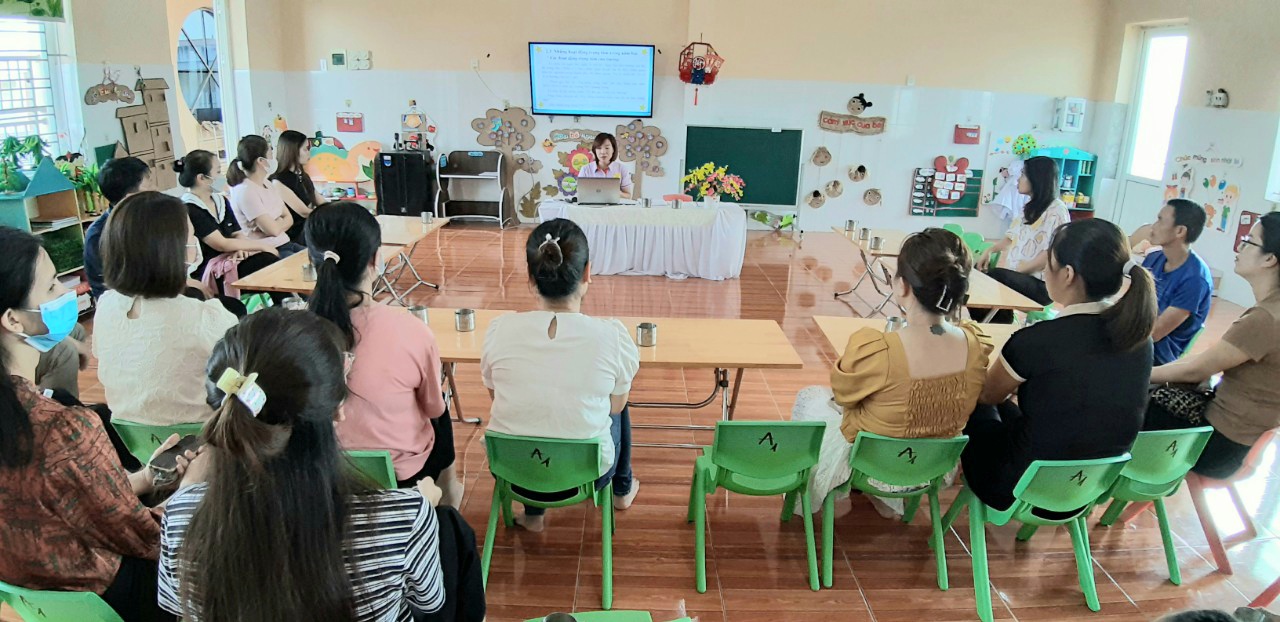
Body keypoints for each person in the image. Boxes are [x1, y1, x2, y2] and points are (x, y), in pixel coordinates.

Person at [159, 309, 456, 621]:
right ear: (338, 410)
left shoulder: (179, 517)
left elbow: (178, 609)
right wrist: (425, 506)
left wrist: (186, 492)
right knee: (452, 530)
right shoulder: (405, 519)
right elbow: (430, 603)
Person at [0, 225, 194, 622]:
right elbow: (146, 539)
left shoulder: (37, 422)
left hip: (38, 603)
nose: (66, 292)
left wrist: (143, 479)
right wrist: (190, 490)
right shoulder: (62, 429)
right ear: (13, 320)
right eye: (51, 286)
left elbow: (54, 500)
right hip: (108, 598)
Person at [792, 229, 993, 516]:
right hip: (932, 466)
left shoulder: (879, 348)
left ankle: (832, 493)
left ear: (902, 286)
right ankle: (892, 502)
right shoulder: (976, 345)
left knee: (813, 397)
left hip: (873, 464)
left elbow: (844, 396)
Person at [963, 218, 1156, 511]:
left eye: (1048, 263)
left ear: (1067, 274)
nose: (1044, 271)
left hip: (1017, 489)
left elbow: (988, 394)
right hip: (1089, 488)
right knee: (1017, 410)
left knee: (976, 403)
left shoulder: (1037, 339)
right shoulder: (1139, 338)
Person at [481, 218, 640, 532]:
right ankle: (621, 491)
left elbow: (496, 395)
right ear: (587, 273)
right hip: (587, 475)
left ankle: (533, 515)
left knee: (529, 405)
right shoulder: (612, 336)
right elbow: (616, 407)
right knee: (617, 402)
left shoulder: (499, 330)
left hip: (513, 472)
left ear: (531, 277)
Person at [306, 202, 464, 504]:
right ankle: (449, 495)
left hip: (319, 473)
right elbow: (432, 408)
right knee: (439, 410)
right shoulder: (410, 330)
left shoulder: (293, 333)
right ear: (375, 259)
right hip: (401, 476)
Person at [1145, 212, 1280, 478]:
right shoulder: (1271, 310)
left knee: (1134, 403)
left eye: (1248, 241)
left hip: (1219, 444)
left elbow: (1196, 369)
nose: (1239, 247)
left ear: (1269, 259)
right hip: (1243, 441)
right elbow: (1208, 362)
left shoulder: (1265, 318)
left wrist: (1137, 374)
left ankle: (1090, 484)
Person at [95, 192, 238, 426]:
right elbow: (239, 381)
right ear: (173, 250)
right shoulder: (207, 317)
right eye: (191, 237)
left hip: (132, 440)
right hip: (204, 439)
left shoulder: (106, 306)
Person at [974, 156, 1072, 323]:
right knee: (977, 273)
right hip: (1021, 276)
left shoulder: (1056, 210)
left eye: (1023, 174)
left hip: (1042, 284)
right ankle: (993, 325)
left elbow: (1052, 252)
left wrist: (1021, 270)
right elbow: (1010, 237)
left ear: (1037, 179)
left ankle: (1000, 326)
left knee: (994, 277)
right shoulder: (1028, 207)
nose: (1018, 179)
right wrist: (989, 250)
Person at [176, 150, 281, 297]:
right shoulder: (189, 207)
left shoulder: (221, 201)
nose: (222, 176)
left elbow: (237, 233)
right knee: (268, 261)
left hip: (232, 259)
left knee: (271, 264)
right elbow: (221, 244)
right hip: (211, 269)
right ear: (202, 178)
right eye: (218, 172)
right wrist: (262, 246)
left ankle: (287, 304)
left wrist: (241, 249)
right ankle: (287, 304)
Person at [1128, 199, 1214, 364]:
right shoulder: (1153, 259)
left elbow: (1155, 334)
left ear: (1180, 231)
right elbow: (1133, 304)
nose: (1153, 226)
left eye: (1160, 220)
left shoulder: (1195, 279)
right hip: (1136, 339)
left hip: (1156, 355)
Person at [85, 156, 155, 300]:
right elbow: (106, 289)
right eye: (149, 185)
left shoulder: (150, 219)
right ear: (131, 197)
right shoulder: (99, 236)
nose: (155, 189)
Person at [226, 135, 305, 257]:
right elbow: (273, 230)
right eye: (270, 152)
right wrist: (277, 221)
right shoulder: (246, 191)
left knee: (321, 259)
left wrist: (275, 224)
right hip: (268, 251)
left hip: (285, 242)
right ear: (261, 161)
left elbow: (289, 218)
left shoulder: (267, 183)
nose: (273, 156)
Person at [271, 129, 328, 244]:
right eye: (305, 149)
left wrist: (339, 211)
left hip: (309, 227)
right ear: (293, 151)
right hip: (296, 233)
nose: (308, 152)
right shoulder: (278, 181)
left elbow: (321, 202)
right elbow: (304, 212)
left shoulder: (303, 176)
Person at [576, 132, 633, 199]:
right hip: (591, 205)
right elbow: (580, 195)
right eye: (599, 148)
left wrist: (617, 193)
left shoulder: (622, 169)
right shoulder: (585, 169)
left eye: (607, 148)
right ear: (595, 150)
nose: (603, 152)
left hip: (614, 205)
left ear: (613, 149)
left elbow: (628, 196)